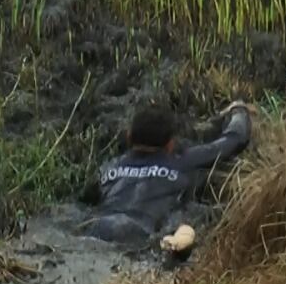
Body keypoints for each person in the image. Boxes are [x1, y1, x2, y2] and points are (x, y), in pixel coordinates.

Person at [80, 101, 253, 244]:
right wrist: (239, 111)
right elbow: (235, 140)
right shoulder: (183, 161)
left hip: (94, 228)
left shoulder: (109, 167)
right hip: (140, 235)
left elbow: (85, 198)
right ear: (170, 144)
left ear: (129, 137)